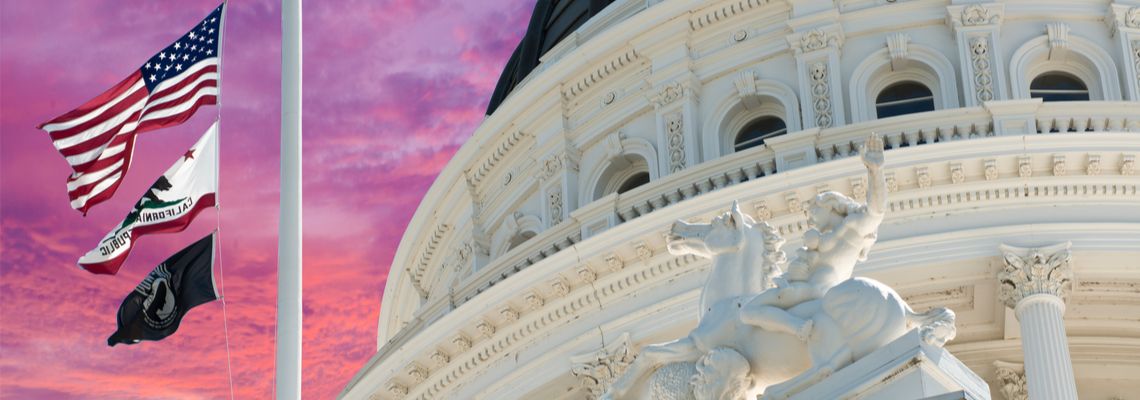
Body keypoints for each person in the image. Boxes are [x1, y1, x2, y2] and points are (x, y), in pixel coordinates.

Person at [739, 133, 888, 340]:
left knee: (748, 311)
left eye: (812, 212)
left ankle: (797, 327)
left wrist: (875, 171)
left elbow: (876, 211)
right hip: (809, 287)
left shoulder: (853, 226)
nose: (810, 221)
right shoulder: (828, 238)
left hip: (815, 290)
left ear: (829, 205)